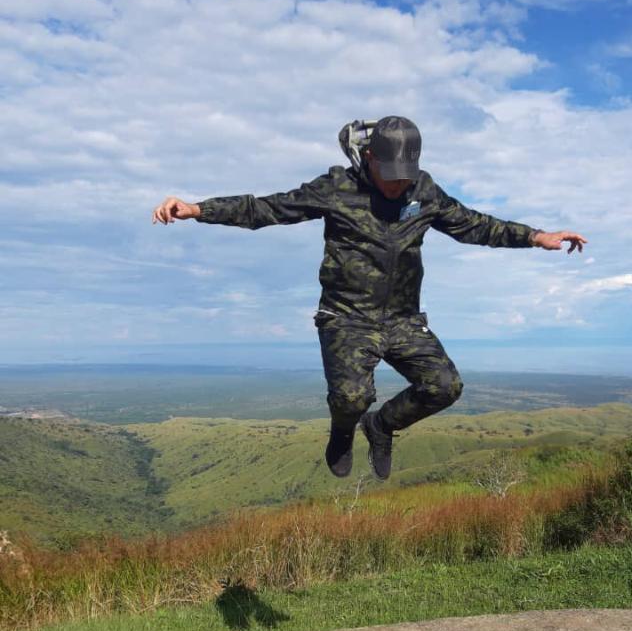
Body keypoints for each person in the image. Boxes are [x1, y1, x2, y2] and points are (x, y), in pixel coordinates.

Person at [152, 116, 587, 481]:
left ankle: (381, 427)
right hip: (346, 318)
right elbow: (267, 209)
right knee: (351, 398)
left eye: (405, 178)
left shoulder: (425, 192)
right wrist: (198, 209)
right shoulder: (337, 187)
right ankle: (343, 431)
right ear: (370, 158)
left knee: (445, 386)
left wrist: (536, 237)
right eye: (390, 177)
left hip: (402, 319)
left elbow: (475, 225)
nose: (398, 187)